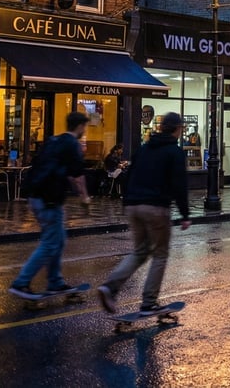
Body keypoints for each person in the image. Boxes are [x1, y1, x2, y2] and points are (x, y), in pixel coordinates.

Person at [96, 112, 191, 315]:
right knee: (160, 254)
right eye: (181, 128)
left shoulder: (144, 148)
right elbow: (179, 185)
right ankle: (149, 302)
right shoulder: (174, 152)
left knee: (140, 251)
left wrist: (127, 202)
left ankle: (110, 287)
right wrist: (185, 214)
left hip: (133, 205)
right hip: (156, 207)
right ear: (177, 129)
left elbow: (130, 174)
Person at [9, 112, 91, 298]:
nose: (84, 130)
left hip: (37, 195)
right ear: (79, 126)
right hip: (49, 199)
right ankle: (21, 282)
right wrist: (85, 198)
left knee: (58, 239)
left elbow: (61, 170)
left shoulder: (54, 141)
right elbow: (78, 175)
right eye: (84, 127)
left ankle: (55, 281)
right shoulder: (72, 144)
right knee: (50, 242)